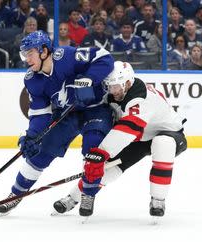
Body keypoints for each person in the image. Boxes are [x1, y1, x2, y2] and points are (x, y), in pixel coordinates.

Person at [0, 30, 114, 216]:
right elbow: (40, 112)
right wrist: (32, 135)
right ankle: (15, 195)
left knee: (93, 148)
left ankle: (88, 194)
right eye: (24, 54)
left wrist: (89, 79)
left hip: (95, 108)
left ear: (44, 51)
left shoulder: (66, 56)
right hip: (67, 114)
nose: (27, 59)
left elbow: (104, 57)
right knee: (41, 152)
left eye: (30, 53)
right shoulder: (32, 80)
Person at [53, 61, 187, 218]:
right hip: (140, 138)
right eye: (109, 86)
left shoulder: (140, 97)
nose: (112, 90)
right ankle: (73, 198)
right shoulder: (115, 93)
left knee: (162, 144)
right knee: (106, 168)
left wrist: (101, 152)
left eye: (115, 86)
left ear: (128, 83)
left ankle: (158, 199)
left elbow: (128, 129)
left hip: (169, 133)